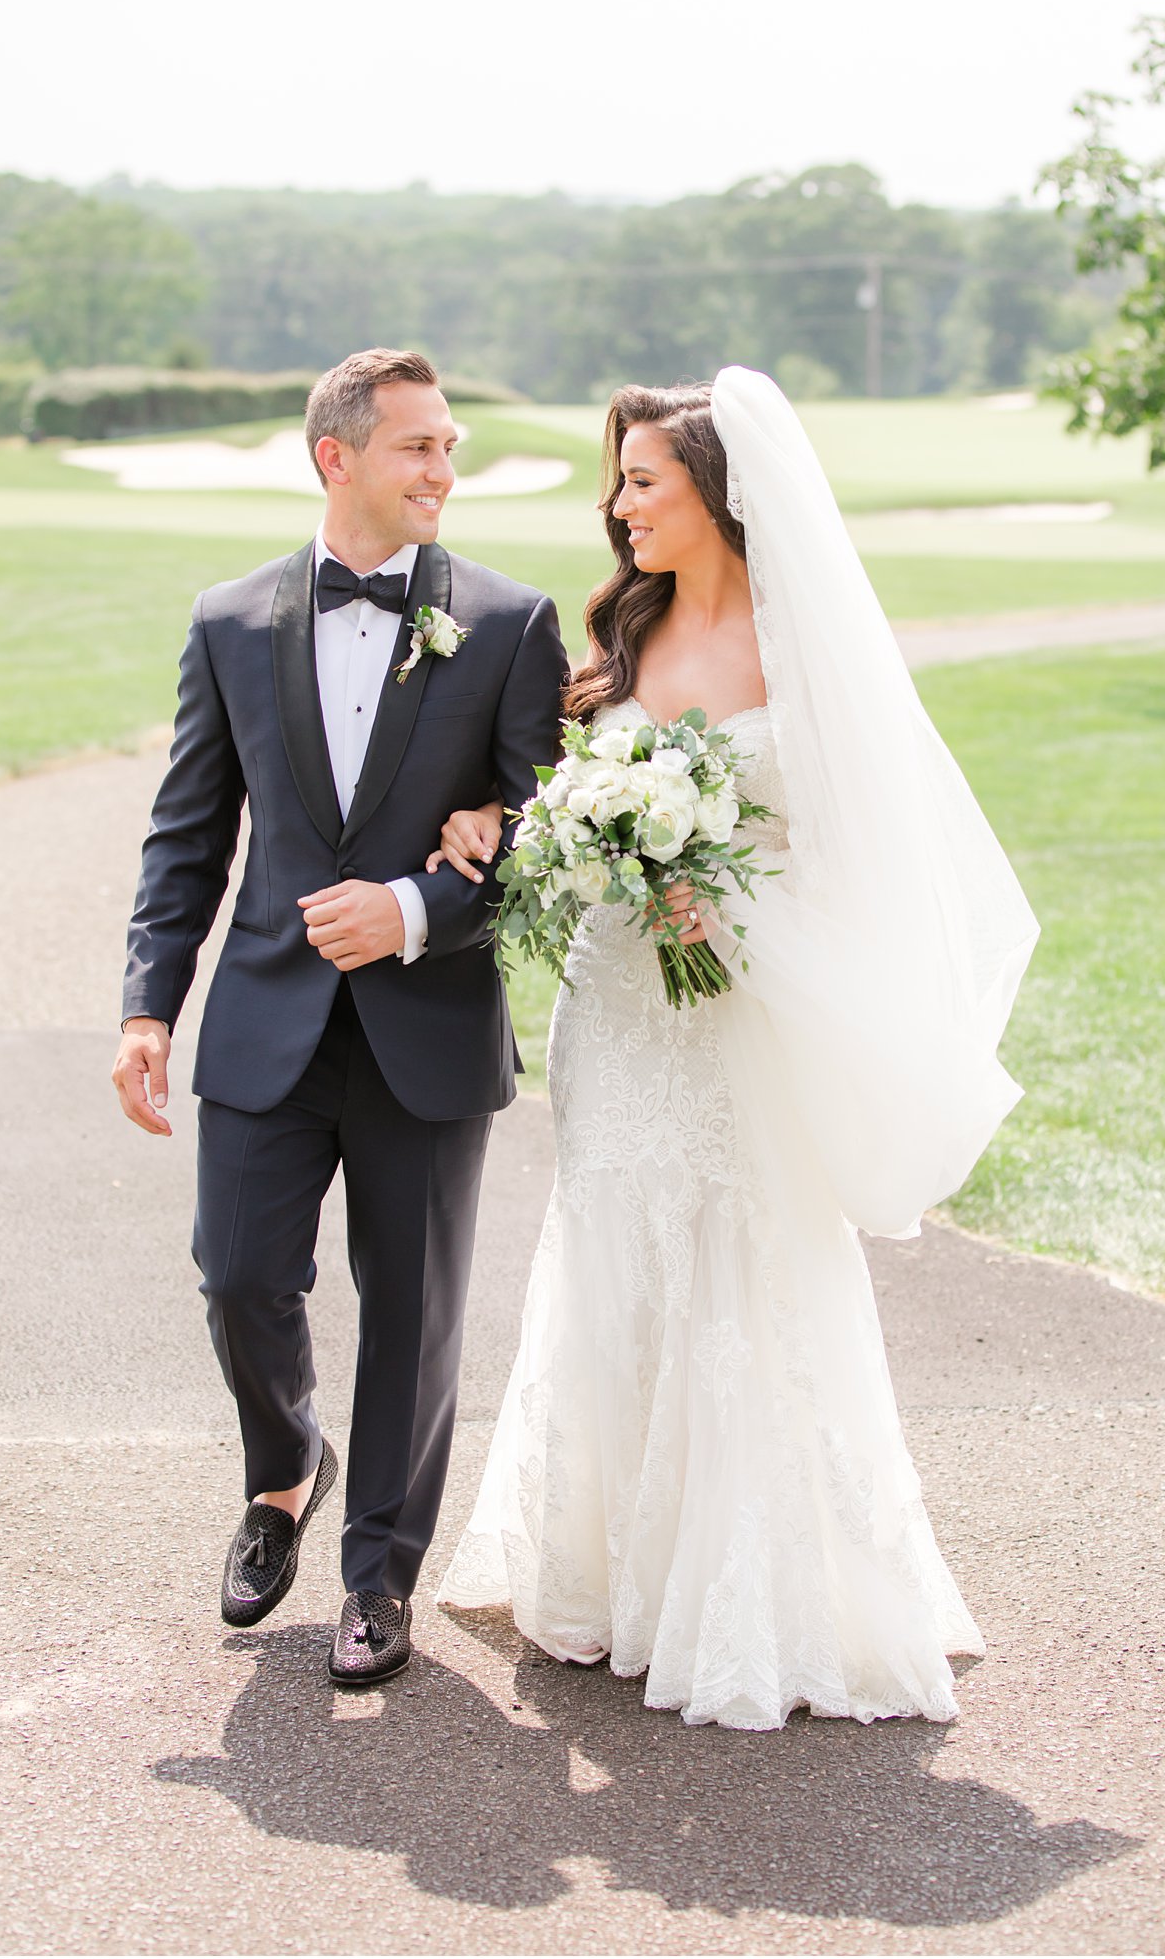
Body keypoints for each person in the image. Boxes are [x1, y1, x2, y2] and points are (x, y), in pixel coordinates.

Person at [432, 368, 1039, 1729]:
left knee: (743, 1250)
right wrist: (543, 833)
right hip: (616, 1004)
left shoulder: (799, 644)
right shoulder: (617, 632)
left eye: (643, 478)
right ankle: (606, 1571)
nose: (620, 503)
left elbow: (855, 852)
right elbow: (553, 794)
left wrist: (723, 898)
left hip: (737, 1008)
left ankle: (749, 1593)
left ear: (716, 489)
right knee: (614, 1243)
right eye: (620, 480)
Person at [112, 349, 565, 1687]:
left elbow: (545, 840)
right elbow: (187, 834)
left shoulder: (508, 624)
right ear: (337, 458)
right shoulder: (230, 620)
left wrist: (417, 910)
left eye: (449, 447)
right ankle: (283, 1466)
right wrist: (149, 1005)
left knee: (413, 1311)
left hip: (427, 1030)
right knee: (240, 1273)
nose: (443, 470)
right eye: (418, 446)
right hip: (264, 1021)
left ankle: (379, 1572)